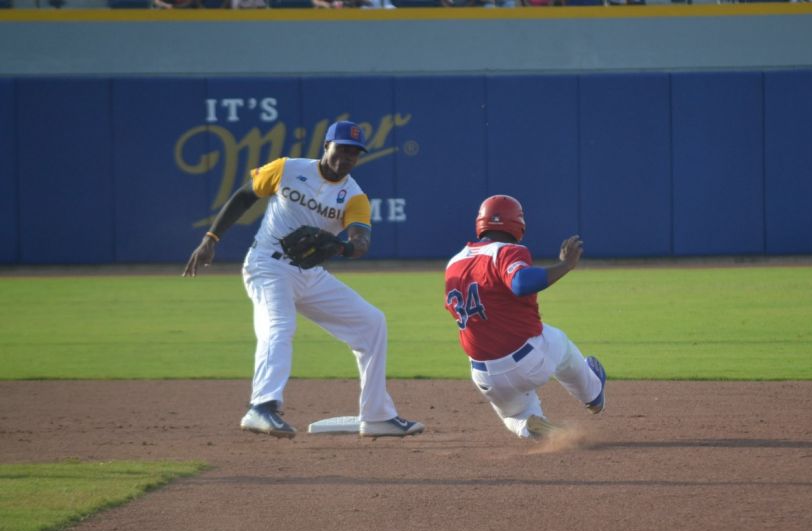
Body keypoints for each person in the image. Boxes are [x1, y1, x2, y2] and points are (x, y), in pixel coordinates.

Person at [183, 120, 425, 440]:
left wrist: (341, 245)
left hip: (309, 273)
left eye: (355, 152)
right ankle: (261, 406)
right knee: (279, 326)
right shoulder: (287, 168)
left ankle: (377, 415)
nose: (347, 157)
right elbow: (244, 196)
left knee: (371, 322)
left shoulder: (354, 196)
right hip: (268, 265)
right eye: (342, 149)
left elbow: (361, 242)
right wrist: (211, 238)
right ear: (326, 147)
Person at [443, 195, 607, 439]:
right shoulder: (508, 250)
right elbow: (520, 283)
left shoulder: (454, 262)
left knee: (514, 415)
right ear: (517, 223)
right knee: (559, 343)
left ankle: (530, 426)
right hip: (528, 359)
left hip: (485, 374)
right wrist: (565, 265)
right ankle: (592, 394)